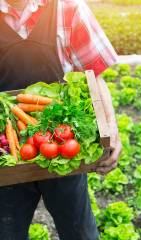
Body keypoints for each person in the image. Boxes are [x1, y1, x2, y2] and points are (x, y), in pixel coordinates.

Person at [0, 0, 121, 239]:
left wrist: (111, 131)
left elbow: (93, 75)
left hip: (62, 146)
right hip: (7, 157)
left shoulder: (68, 8)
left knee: (80, 232)